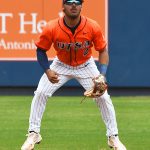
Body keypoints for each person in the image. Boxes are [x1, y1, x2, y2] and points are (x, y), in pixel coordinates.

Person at [21, 0, 127, 150]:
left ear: (81, 6)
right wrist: (47, 70)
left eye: (77, 2)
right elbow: (40, 50)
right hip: (61, 65)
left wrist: (102, 74)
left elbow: (102, 50)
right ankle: (33, 133)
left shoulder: (92, 26)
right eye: (69, 2)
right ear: (63, 6)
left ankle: (113, 137)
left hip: (86, 65)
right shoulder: (52, 27)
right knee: (41, 93)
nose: (73, 5)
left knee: (103, 97)